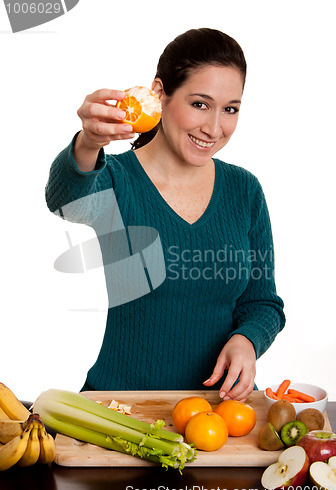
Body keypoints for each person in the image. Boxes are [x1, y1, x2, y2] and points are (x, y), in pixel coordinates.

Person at [45, 28, 285, 401]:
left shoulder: (245, 190)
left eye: (231, 109)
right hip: (120, 408)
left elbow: (263, 302)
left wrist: (248, 340)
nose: (214, 128)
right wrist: (88, 141)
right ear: (159, 94)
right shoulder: (116, 180)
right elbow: (64, 197)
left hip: (219, 415)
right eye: (200, 104)